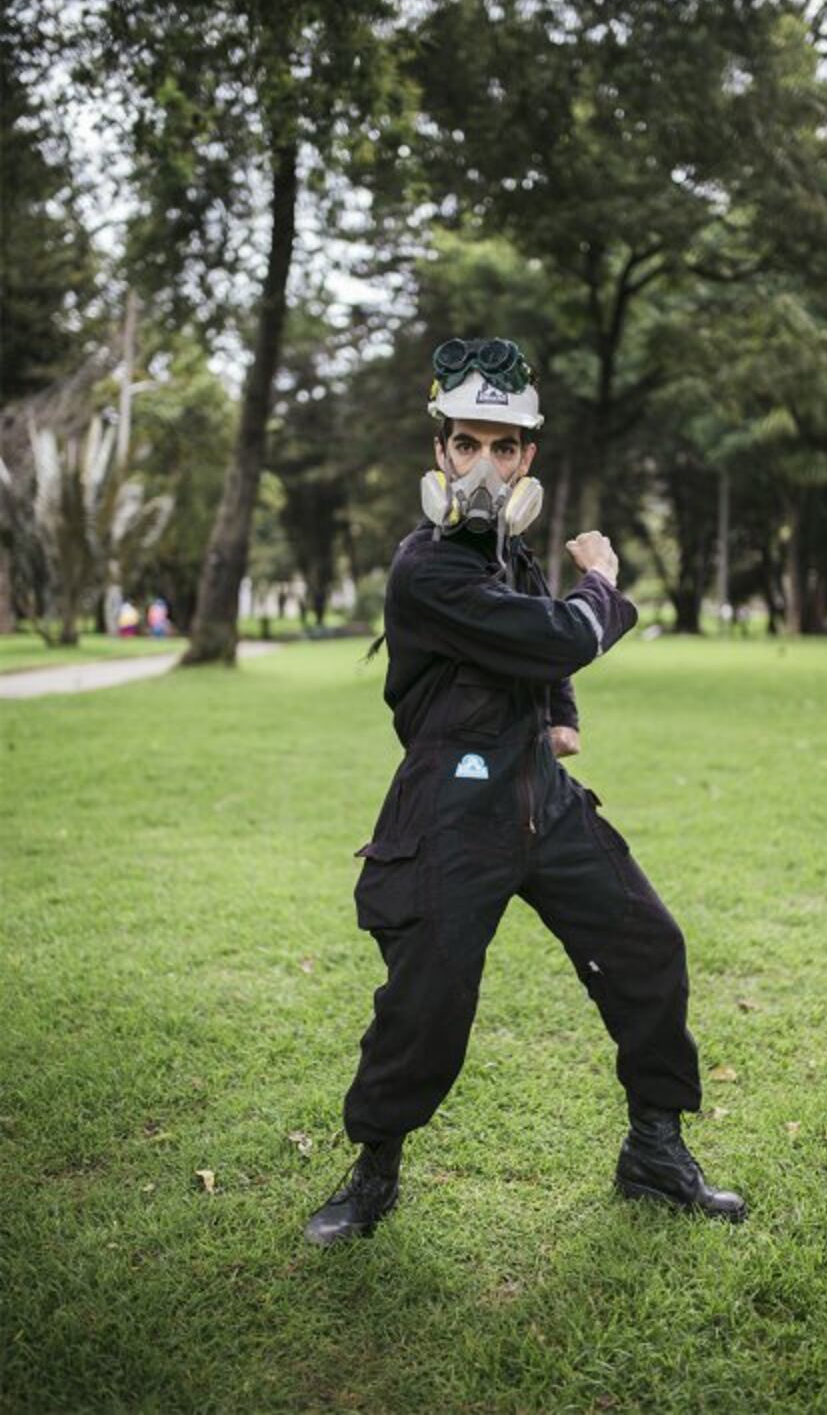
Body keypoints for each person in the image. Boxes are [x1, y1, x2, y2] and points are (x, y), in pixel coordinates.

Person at [305, 337, 744, 1247]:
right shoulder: (428, 567)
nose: (486, 465)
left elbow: (540, 650)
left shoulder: (511, 554)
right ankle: (373, 1173)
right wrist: (605, 587)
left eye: (505, 448)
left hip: (541, 800)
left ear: (526, 458)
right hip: (450, 815)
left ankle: (655, 1151)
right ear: (440, 451)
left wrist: (559, 711)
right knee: (427, 1005)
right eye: (469, 444)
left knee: (648, 948)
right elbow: (553, 635)